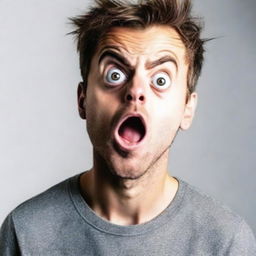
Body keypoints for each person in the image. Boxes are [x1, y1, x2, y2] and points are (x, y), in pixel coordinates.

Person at [1, 0, 256, 255]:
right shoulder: (26, 232)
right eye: (115, 75)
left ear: (187, 108)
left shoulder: (226, 241)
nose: (135, 91)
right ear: (83, 100)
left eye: (160, 79)